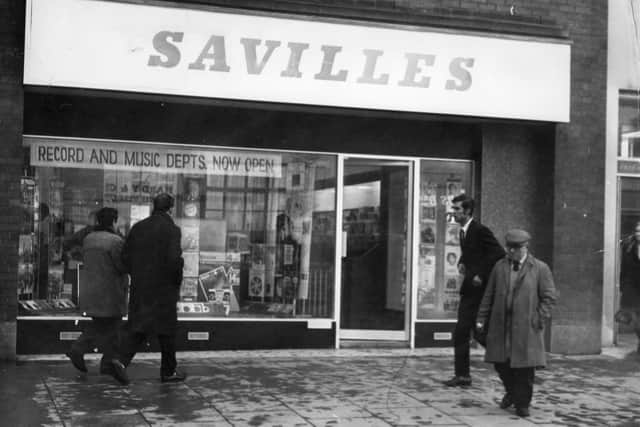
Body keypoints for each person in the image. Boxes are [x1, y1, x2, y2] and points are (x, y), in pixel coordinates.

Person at [476, 229, 556, 418]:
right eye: (508, 247)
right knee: (501, 364)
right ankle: (511, 392)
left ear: (525, 247)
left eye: (515, 248)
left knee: (525, 369)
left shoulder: (540, 268)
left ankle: (523, 404)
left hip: (526, 327)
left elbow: (549, 297)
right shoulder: (500, 267)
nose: (510, 252)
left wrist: (539, 317)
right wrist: (481, 318)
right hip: (501, 325)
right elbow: (489, 295)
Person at [119, 193, 186, 383]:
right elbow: (174, 261)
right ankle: (168, 371)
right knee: (167, 331)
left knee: (139, 327)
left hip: (141, 287)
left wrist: (138, 275)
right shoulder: (172, 230)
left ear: (153, 207)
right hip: (164, 289)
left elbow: (125, 257)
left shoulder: (138, 228)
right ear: (170, 209)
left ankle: (120, 361)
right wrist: (176, 281)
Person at [443, 194, 505, 387]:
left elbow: (498, 253)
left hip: (480, 291)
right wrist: (462, 262)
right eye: (453, 209)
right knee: (461, 332)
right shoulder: (463, 231)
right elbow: (471, 253)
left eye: (457, 209)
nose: (454, 213)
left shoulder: (479, 230)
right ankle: (462, 376)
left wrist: (481, 273)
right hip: (469, 290)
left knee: (478, 334)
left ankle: (506, 362)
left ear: (468, 211)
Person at [65, 207, 129, 385]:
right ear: (114, 221)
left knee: (103, 324)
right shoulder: (115, 241)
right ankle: (93, 356)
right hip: (110, 291)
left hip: (92, 290)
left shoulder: (89, 239)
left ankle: (102, 361)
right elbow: (122, 266)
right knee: (114, 326)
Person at [618, 221, 640, 352]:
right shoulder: (628, 246)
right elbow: (624, 268)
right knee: (634, 319)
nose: (638, 234)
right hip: (632, 287)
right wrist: (623, 286)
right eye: (637, 231)